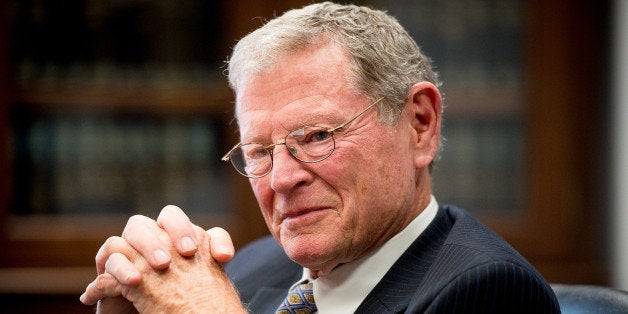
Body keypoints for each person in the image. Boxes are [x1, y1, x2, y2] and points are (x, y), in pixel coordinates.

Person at [80, 2, 560, 313]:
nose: (282, 179)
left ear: (419, 124)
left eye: (315, 136)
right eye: (259, 151)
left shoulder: (488, 292)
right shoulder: (255, 267)